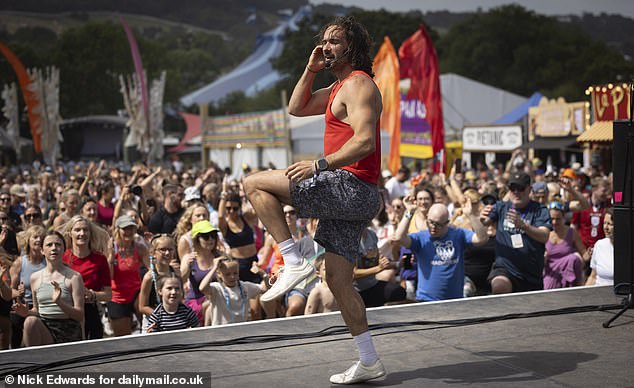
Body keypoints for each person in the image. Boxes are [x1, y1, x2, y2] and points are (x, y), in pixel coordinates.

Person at [243, 16, 386, 384]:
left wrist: (318, 165)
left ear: (352, 47)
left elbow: (365, 141)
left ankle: (291, 259)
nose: (326, 47)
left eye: (334, 41)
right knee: (338, 281)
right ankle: (369, 359)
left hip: (351, 187)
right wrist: (309, 69)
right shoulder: (338, 87)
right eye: (323, 41)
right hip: (355, 193)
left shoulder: (359, 86)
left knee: (254, 183)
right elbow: (296, 106)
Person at [394, 199, 488, 301]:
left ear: (447, 223)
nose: (433, 227)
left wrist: (470, 215)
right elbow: (399, 238)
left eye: (438, 224)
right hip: (426, 299)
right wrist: (409, 212)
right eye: (430, 222)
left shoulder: (458, 234)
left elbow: (482, 239)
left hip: (454, 299)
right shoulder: (421, 238)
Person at [480, 172, 552, 293]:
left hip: (531, 273)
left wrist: (524, 226)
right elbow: (485, 222)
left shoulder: (540, 210)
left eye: (521, 188)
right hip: (505, 268)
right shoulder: (501, 207)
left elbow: (544, 236)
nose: (516, 192)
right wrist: (481, 217)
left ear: (529, 189)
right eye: (513, 188)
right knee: (500, 285)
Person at [11, 231, 84, 347]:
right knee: (30, 321)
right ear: (42, 251)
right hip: (45, 328)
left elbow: (80, 315)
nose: (54, 248)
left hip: (68, 330)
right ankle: (35, 363)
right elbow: (37, 310)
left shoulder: (74, 277)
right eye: (49, 245)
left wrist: (59, 303)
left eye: (58, 245)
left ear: (64, 249)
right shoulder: (35, 278)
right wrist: (27, 312)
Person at [61, 215, 111, 340]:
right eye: (77, 230)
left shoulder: (100, 259)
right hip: (66, 310)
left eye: (85, 230)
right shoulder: (63, 257)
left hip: (90, 310)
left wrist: (92, 295)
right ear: (70, 233)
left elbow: (108, 294)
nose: (82, 233)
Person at [107, 215, 150, 336]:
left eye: (131, 228)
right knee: (124, 339)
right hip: (117, 297)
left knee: (150, 330)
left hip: (136, 294)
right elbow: (108, 278)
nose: (128, 232)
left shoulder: (139, 248)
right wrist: (110, 258)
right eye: (125, 228)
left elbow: (151, 269)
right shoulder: (111, 249)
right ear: (118, 230)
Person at [199, 256, 267, 326]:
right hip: (221, 332)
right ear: (219, 274)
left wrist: (262, 273)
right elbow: (202, 288)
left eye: (235, 273)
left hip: (241, 329)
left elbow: (265, 288)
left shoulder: (245, 286)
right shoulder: (216, 288)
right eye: (227, 274)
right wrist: (214, 268)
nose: (232, 277)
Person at [9, 225, 47, 348]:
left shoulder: (49, 262)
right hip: (23, 305)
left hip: (41, 306)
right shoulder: (20, 262)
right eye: (35, 237)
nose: (38, 240)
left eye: (41, 238)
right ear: (28, 240)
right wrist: (18, 293)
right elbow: (10, 289)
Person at [181, 220, 223, 325]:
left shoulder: (220, 256)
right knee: (210, 305)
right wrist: (187, 266)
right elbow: (181, 280)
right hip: (196, 302)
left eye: (213, 235)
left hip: (217, 300)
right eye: (205, 236)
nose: (210, 239)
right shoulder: (189, 258)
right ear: (197, 240)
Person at [544, 202, 586, 289]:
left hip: (569, 273)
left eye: (558, 219)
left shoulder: (572, 232)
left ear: (563, 218)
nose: (554, 222)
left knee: (574, 258)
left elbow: (584, 254)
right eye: (552, 219)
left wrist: (591, 253)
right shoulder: (544, 233)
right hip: (551, 272)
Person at [586, 208, 614, 286]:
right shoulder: (599, 245)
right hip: (598, 294)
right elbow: (593, 276)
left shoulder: (628, 250)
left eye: (610, 224)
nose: (606, 227)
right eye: (604, 223)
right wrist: (582, 297)